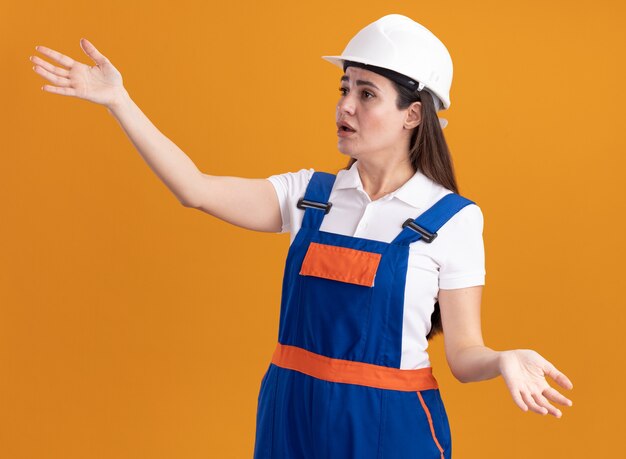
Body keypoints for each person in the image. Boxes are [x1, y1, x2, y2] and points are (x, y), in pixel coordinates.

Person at [30, 13, 574, 459]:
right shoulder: (307, 195)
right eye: (344, 89)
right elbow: (193, 188)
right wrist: (119, 101)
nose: (345, 105)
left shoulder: (453, 219)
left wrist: (501, 358)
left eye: (367, 94)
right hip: (290, 411)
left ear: (413, 114)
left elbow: (463, 353)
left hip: (385, 427)